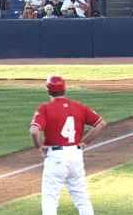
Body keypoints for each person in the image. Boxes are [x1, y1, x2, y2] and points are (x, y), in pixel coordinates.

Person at [29, 75, 107, 215]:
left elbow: (34, 131)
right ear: (64, 89)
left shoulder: (45, 108)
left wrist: (39, 146)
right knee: (81, 196)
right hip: (75, 154)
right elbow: (100, 124)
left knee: (50, 198)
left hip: (56, 156)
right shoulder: (79, 106)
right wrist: (85, 142)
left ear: (48, 91)